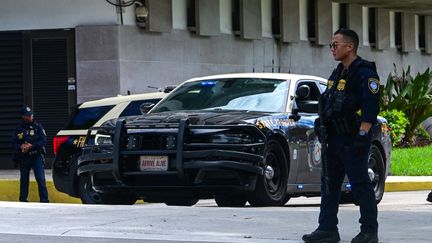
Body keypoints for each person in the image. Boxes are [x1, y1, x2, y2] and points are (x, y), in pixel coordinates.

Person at [303, 29, 380, 243]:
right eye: (331, 45)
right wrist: (321, 122)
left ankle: (369, 232)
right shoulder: (337, 73)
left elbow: (370, 107)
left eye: (335, 45)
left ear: (350, 47)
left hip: (353, 137)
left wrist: (363, 135)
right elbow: (329, 102)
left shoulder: (365, 73)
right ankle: (327, 228)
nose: (332, 49)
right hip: (333, 138)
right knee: (329, 184)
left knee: (361, 185)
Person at [12, 106, 49, 203]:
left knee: (40, 179)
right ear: (23, 116)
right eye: (28, 115)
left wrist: (32, 146)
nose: (31, 116)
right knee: (24, 180)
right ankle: (23, 200)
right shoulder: (19, 129)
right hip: (24, 157)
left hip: (36, 156)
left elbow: (43, 141)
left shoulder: (38, 127)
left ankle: (44, 200)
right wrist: (21, 147)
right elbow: (14, 142)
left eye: (31, 115)